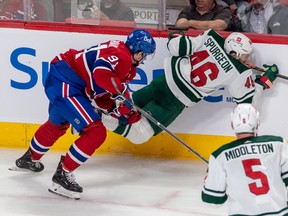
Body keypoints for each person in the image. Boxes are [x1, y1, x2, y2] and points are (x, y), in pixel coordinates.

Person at [14, 29, 156, 200]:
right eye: (145, 55)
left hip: (65, 79)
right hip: (67, 83)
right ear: (139, 52)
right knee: (96, 132)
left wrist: (122, 111)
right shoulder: (122, 57)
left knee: (58, 123)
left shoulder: (123, 57)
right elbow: (101, 73)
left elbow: (102, 96)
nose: (145, 59)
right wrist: (121, 97)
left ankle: (29, 158)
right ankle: (62, 175)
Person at [101, 30, 279, 145]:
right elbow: (247, 104)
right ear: (234, 52)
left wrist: (175, 36)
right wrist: (263, 82)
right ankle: (100, 119)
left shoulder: (210, 36)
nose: (247, 60)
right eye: (245, 56)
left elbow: (175, 45)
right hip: (172, 103)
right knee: (141, 134)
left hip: (160, 83)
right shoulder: (240, 73)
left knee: (123, 106)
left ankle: (92, 111)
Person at [201, 103, 288, 215]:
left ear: (232, 124)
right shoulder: (278, 143)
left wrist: (209, 178)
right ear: (258, 123)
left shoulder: (219, 156)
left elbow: (212, 200)